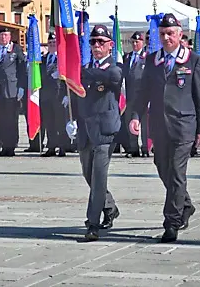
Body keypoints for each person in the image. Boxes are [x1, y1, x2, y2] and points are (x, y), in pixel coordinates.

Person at [130, 13, 200, 243]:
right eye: (163, 34)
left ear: (180, 35)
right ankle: (185, 204)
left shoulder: (194, 60)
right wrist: (135, 116)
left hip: (184, 125)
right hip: (159, 125)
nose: (167, 38)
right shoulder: (152, 60)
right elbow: (142, 92)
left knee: (176, 172)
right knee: (163, 169)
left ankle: (171, 222)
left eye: (171, 34)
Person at [74, 24, 122, 241]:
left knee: (99, 176)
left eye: (100, 42)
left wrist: (75, 71)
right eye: (92, 42)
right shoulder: (86, 67)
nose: (96, 46)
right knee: (88, 174)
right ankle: (109, 206)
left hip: (105, 130)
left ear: (110, 45)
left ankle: (92, 223)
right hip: (85, 129)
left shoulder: (115, 67)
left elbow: (111, 76)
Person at [0, 28, 26, 157]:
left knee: (11, 119)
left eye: (6, 35)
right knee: (0, 119)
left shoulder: (16, 49)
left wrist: (21, 87)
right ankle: (2, 145)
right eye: (1, 35)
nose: (3, 38)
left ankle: (11, 146)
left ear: (10, 36)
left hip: (12, 89)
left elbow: (22, 69)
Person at [115, 31, 148, 157]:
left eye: (137, 41)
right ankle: (133, 148)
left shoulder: (147, 57)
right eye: (133, 42)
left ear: (142, 42)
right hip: (129, 96)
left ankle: (145, 148)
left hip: (143, 96)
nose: (135, 44)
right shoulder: (127, 57)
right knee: (130, 122)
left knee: (144, 124)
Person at [40, 32, 69, 157]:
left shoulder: (62, 59)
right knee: (49, 122)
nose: (52, 45)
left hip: (59, 94)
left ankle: (62, 147)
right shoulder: (43, 58)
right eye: (50, 43)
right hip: (46, 95)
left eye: (54, 43)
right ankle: (51, 146)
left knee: (60, 122)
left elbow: (68, 78)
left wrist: (67, 94)